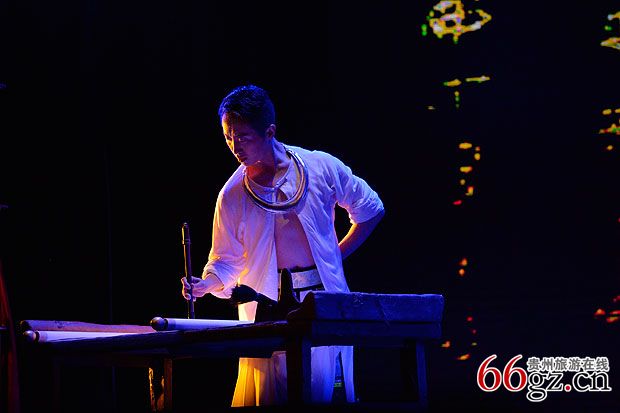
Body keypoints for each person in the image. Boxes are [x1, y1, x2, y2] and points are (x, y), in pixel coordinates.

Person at [181, 84, 384, 406]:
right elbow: (225, 260)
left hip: (321, 300)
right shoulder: (232, 195)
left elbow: (370, 209)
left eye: (243, 137)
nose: (235, 146)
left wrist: (335, 256)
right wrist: (206, 284)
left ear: (270, 131)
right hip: (266, 307)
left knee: (323, 386)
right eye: (228, 137)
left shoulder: (319, 167)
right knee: (271, 392)